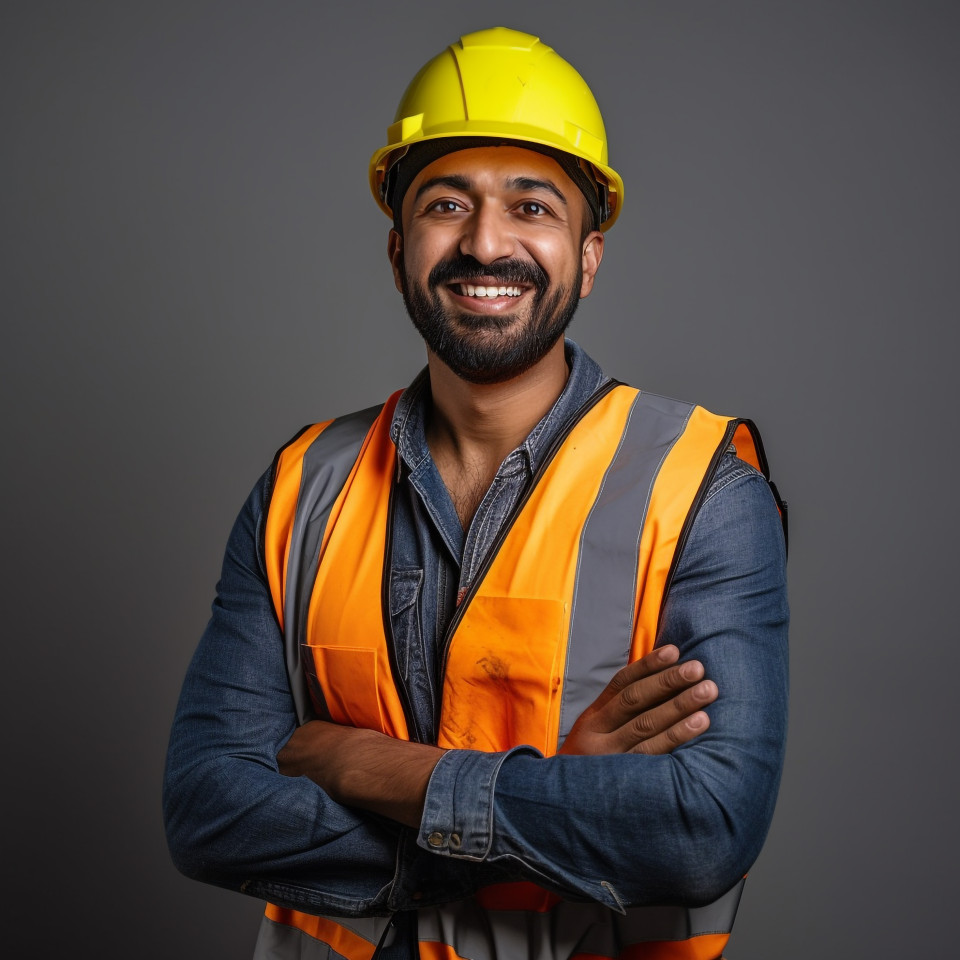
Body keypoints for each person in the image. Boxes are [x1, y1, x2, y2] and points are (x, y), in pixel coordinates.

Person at [163, 26, 789, 960]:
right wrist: (544, 803)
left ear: (587, 254)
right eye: (447, 203)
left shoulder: (703, 491)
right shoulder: (304, 487)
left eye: (532, 206)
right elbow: (207, 808)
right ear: (397, 248)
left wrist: (357, 760)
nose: (485, 242)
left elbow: (699, 831)